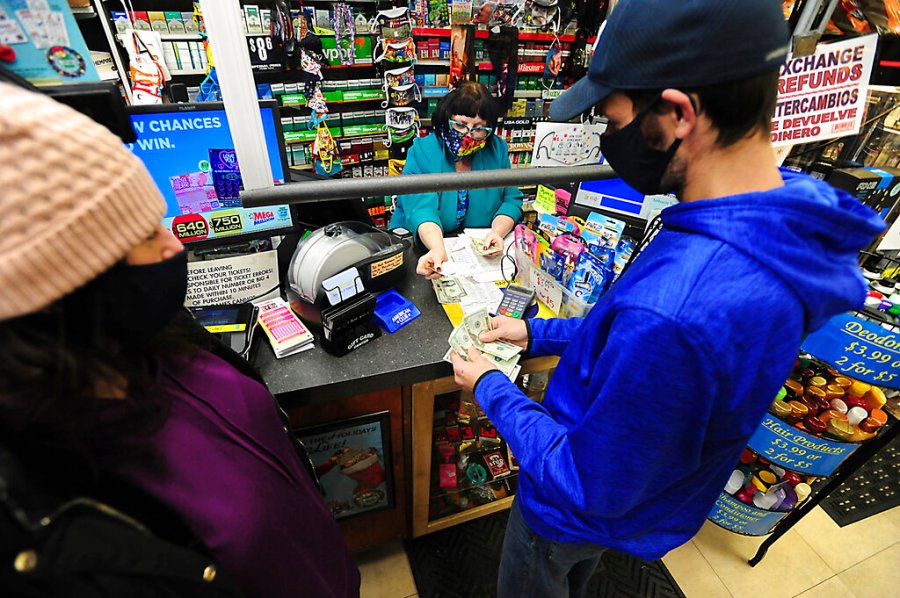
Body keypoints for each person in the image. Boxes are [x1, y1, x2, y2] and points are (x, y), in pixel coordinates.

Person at [449, 1, 885, 596]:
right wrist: (536, 332)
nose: (608, 138)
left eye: (613, 119)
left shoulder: (679, 305)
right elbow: (627, 341)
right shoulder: (767, 223)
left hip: (567, 514)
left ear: (677, 114)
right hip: (637, 504)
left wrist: (489, 387)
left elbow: (584, 483)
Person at [0, 83, 360, 597]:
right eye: (145, 234)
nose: (174, 244)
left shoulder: (155, 332)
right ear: (61, 281)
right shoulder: (54, 495)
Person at [389, 81, 523, 279]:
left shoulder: (497, 149)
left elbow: (511, 199)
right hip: (421, 249)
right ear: (446, 118)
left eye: (478, 129)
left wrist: (497, 233)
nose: (468, 135)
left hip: (475, 255)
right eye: (460, 125)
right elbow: (421, 209)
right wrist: (436, 248)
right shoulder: (422, 151)